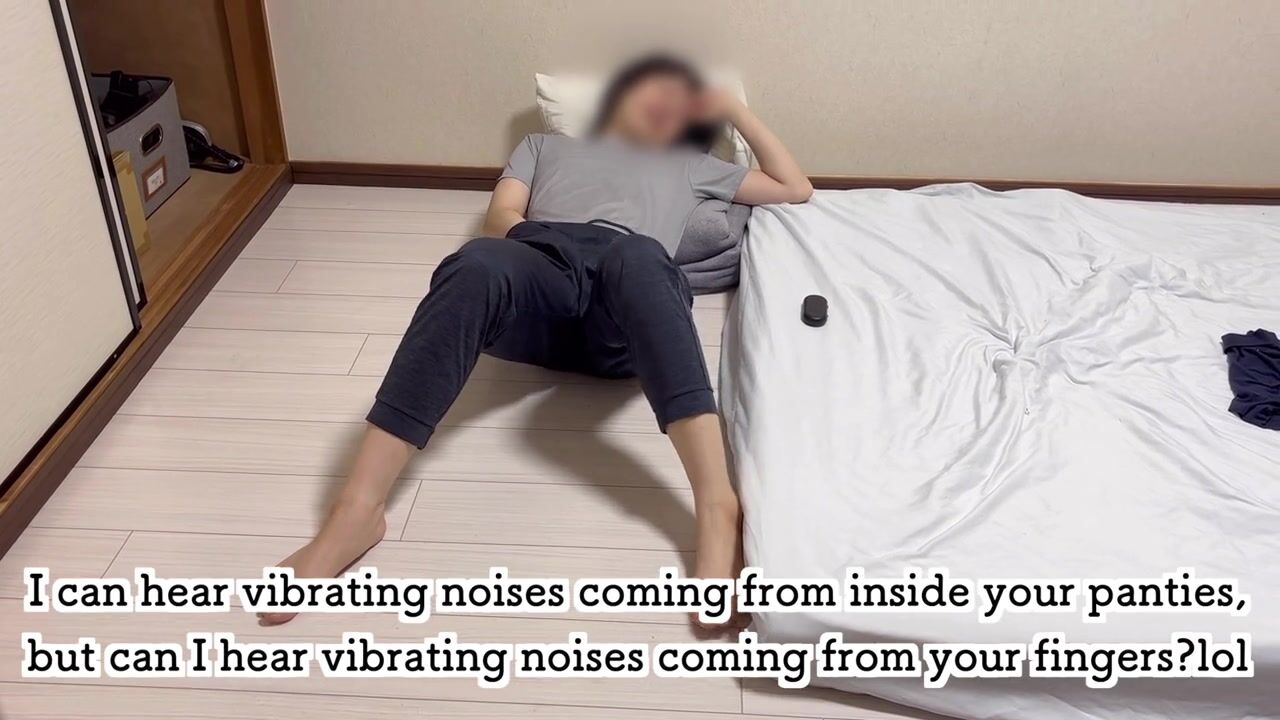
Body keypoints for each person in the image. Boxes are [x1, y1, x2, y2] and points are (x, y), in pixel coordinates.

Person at [263, 54, 812, 626]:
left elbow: (794, 187)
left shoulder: (693, 165)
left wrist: (733, 110)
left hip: (624, 308)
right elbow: (500, 214)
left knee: (639, 255)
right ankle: (358, 509)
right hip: (541, 272)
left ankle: (717, 505)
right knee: (476, 261)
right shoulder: (543, 147)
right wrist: (543, 244)